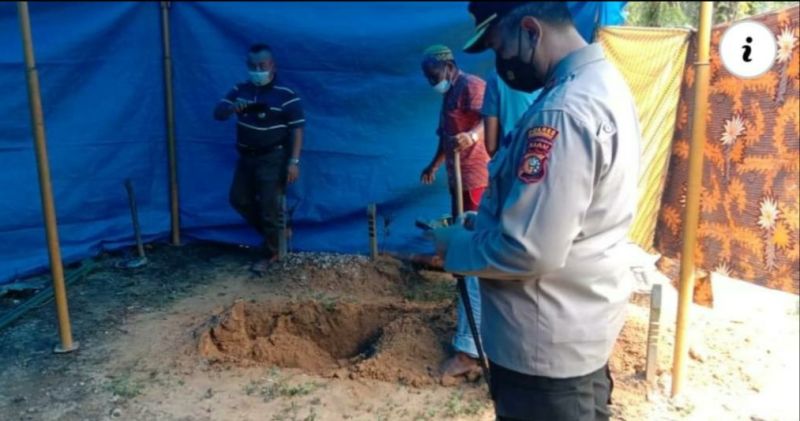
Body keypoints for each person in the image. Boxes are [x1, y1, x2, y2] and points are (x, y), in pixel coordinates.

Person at [431, 2, 642, 420]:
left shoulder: (563, 110)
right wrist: (484, 226)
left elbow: (530, 251)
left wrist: (456, 245)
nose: (500, 62)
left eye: (499, 46)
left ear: (531, 30)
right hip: (572, 334)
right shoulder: (602, 83)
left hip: (544, 353)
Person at [418, 44, 491, 383]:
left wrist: (472, 136)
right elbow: (445, 139)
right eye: (427, 78)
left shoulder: (472, 85)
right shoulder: (448, 97)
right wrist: (434, 165)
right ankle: (468, 314)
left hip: (476, 177)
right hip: (456, 179)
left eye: (433, 76)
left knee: (472, 250)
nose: (431, 82)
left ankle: (471, 347)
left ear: (448, 67)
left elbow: (487, 122)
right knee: (461, 249)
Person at [214, 43, 305, 274]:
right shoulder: (240, 89)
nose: (257, 70)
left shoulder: (286, 95)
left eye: (262, 65)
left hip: (273, 158)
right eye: (253, 66)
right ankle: (277, 233)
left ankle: (272, 252)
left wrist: (294, 162)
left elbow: (297, 130)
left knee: (269, 207)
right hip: (246, 157)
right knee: (239, 199)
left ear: (272, 65)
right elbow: (218, 113)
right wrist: (233, 108)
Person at [480, 69, 539, 157]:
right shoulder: (550, 76)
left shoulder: (496, 77)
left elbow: (491, 146)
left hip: (509, 160)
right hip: (544, 158)